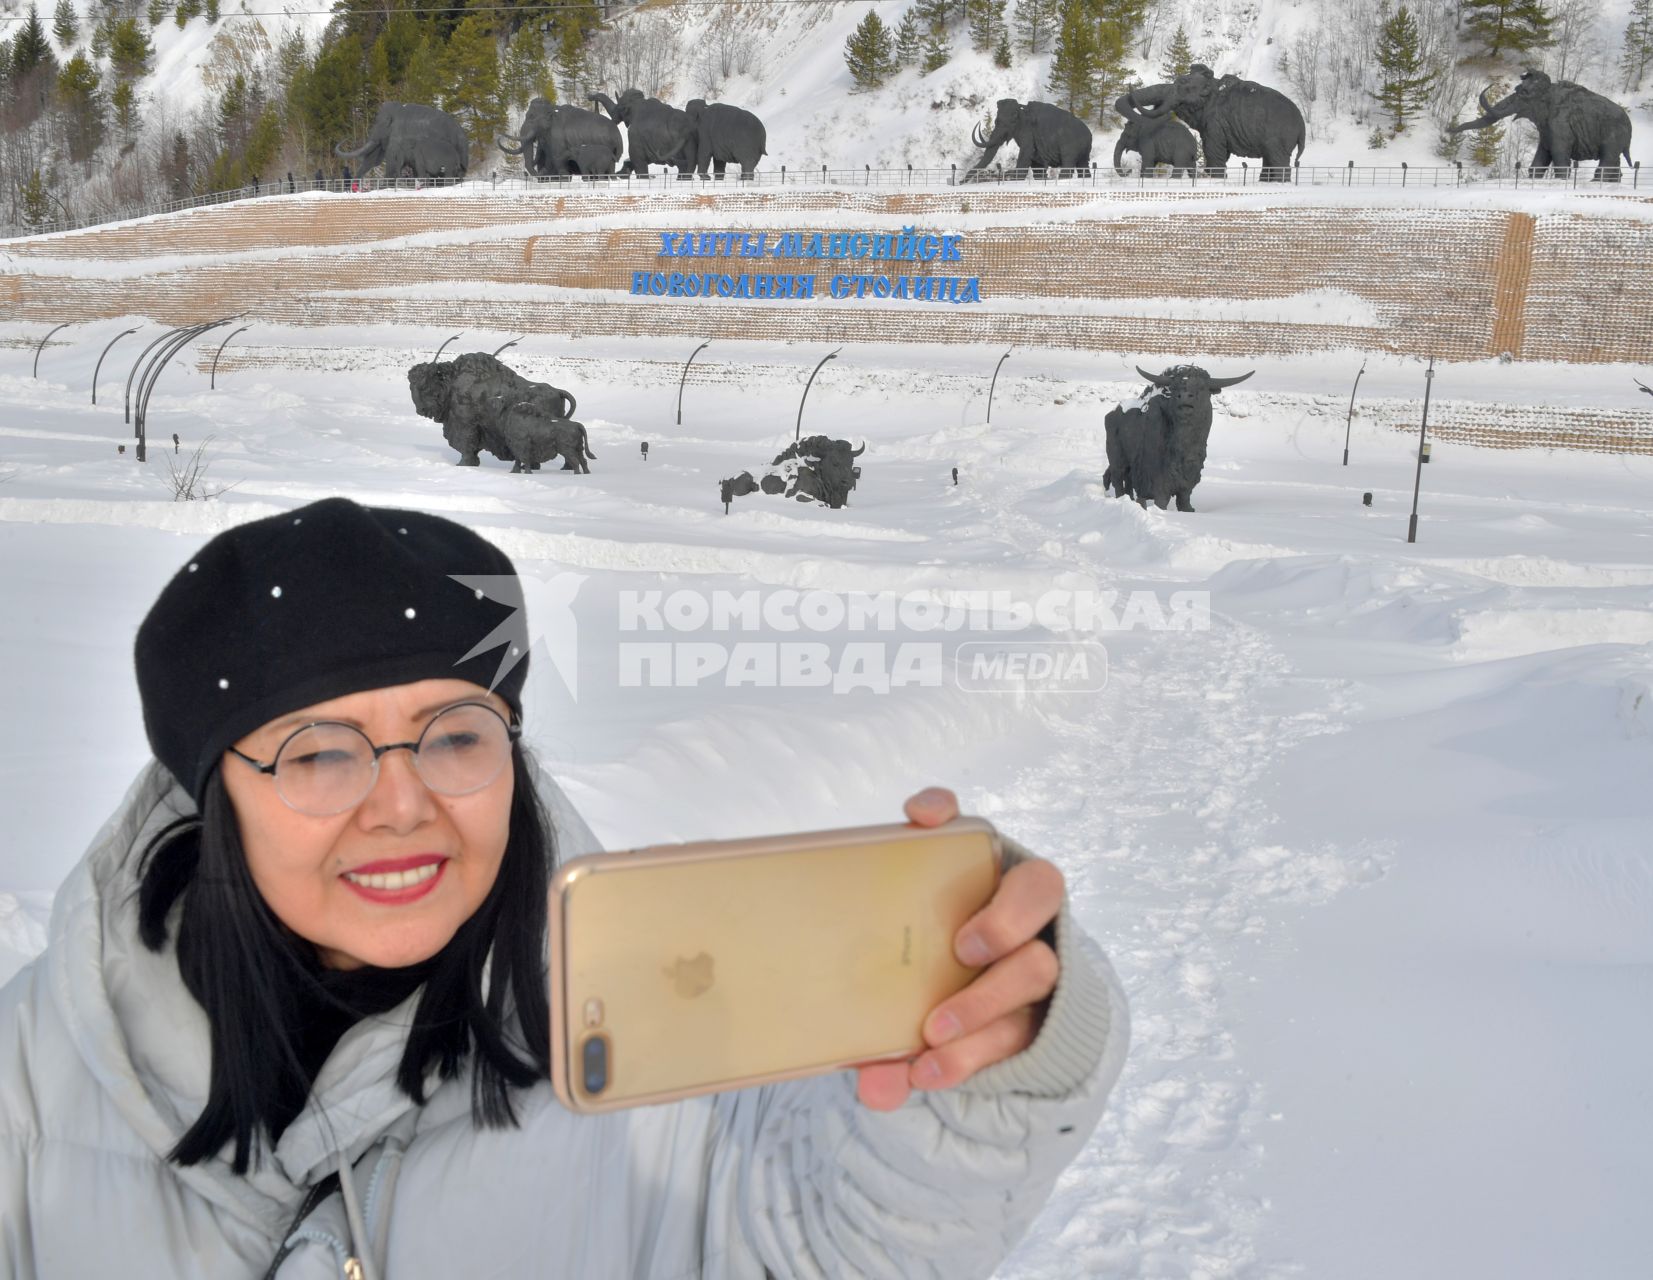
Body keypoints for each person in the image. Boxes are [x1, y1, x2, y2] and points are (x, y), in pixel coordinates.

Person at [0, 497, 1128, 1277]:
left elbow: (831, 1238)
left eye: (456, 734)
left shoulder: (652, 1050)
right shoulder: (33, 1079)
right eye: (320, 751)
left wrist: (993, 1057)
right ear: (215, 792)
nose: (402, 804)